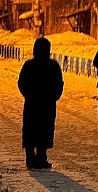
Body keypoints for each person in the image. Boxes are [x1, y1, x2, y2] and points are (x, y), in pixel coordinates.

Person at [18, 37, 64, 170]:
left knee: (30, 129)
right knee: (45, 129)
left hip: (32, 104)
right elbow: (59, 84)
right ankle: (41, 158)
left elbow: (21, 83)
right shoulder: (53, 66)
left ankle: (30, 158)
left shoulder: (29, 65)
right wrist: (54, 96)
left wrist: (29, 95)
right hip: (47, 104)